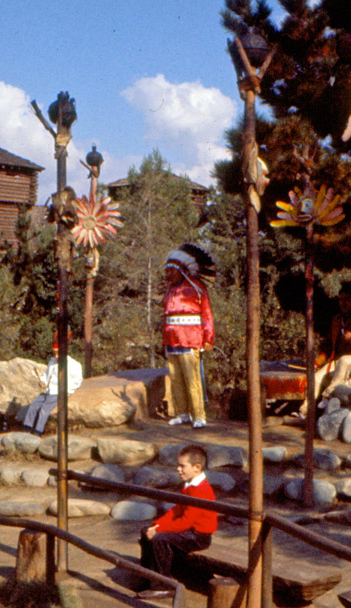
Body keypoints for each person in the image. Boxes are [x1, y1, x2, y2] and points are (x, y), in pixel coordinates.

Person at [136, 444, 217, 600]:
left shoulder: (200, 490)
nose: (178, 469)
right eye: (178, 466)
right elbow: (177, 510)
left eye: (182, 466)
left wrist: (159, 530)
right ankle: (148, 575)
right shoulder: (189, 485)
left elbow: (185, 522)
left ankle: (163, 585)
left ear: (197, 467)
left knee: (160, 539)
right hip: (188, 531)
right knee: (146, 531)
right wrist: (157, 524)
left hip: (198, 536)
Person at [300, 281, 351, 417]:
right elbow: (328, 346)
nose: (343, 303)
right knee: (316, 377)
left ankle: (327, 396)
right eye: (341, 299)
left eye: (348, 299)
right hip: (341, 361)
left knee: (344, 360)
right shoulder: (337, 320)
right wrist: (317, 363)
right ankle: (305, 410)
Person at [162, 243, 215, 429]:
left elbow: (206, 314)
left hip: (190, 340)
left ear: (182, 271)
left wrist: (208, 338)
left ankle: (199, 416)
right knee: (176, 379)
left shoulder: (197, 288)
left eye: (171, 270)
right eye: (166, 270)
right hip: (171, 341)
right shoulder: (169, 290)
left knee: (192, 380)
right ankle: (182, 413)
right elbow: (166, 317)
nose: (167, 274)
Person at [23, 342, 83, 435]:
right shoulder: (52, 362)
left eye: (58, 353)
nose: (56, 356)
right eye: (54, 353)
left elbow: (77, 379)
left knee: (44, 409)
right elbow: (47, 375)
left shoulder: (73, 365)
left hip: (58, 391)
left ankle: (38, 431)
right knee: (34, 405)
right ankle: (27, 427)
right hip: (48, 390)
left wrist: (69, 391)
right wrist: (43, 381)